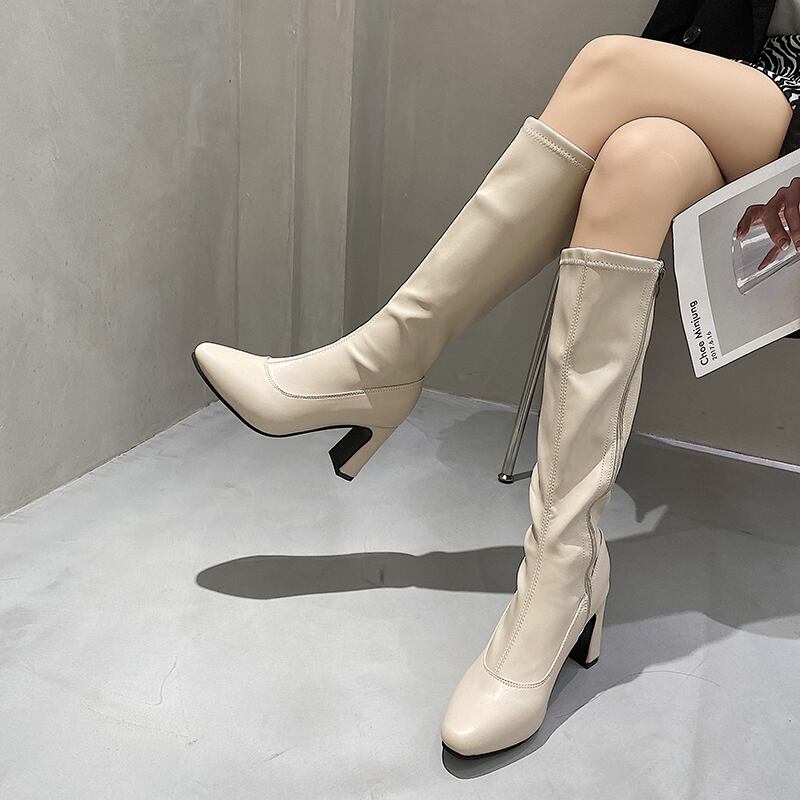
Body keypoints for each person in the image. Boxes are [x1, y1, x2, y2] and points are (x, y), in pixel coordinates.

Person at [192, 1, 800, 758]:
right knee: (635, 158)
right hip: (739, 93)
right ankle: (563, 572)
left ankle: (381, 365)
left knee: (608, 66)